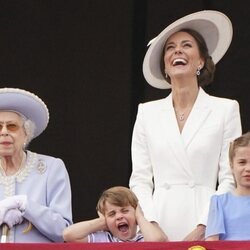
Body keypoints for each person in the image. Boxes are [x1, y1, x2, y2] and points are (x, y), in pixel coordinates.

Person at [129, 10, 242, 241]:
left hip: (206, 222)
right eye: (170, 47)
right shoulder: (147, 112)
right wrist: (150, 224)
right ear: (165, 66)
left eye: (186, 45)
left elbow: (230, 177)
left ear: (201, 61)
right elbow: (140, 179)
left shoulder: (225, 109)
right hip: (158, 225)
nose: (177, 50)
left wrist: (204, 227)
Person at [0, 87, 72, 242]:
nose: (4, 132)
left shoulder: (52, 168)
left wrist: (27, 206)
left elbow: (64, 231)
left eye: (11, 126)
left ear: (26, 133)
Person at [63, 186, 167, 242]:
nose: (119, 216)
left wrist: (140, 217)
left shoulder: (144, 238)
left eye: (125, 211)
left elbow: (156, 241)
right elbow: (68, 235)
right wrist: (101, 222)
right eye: (112, 214)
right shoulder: (103, 239)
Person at [206, 132, 250, 240]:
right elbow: (212, 242)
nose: (248, 168)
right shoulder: (219, 203)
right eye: (242, 162)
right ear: (231, 166)